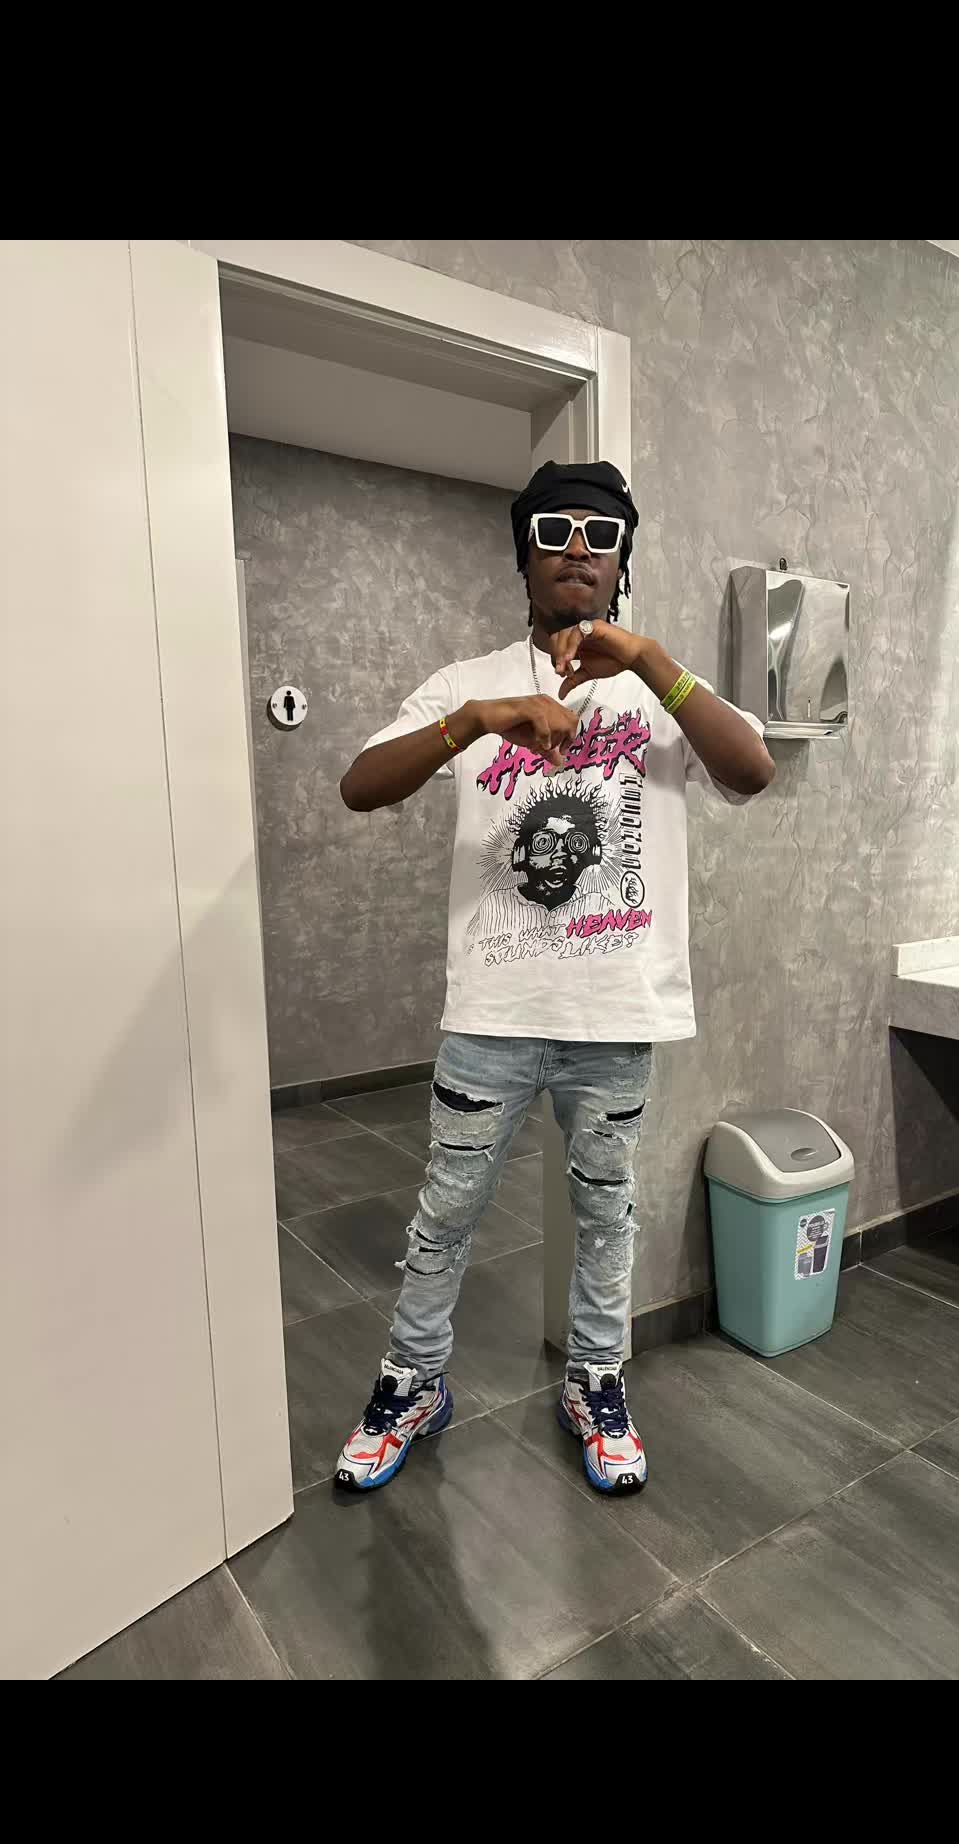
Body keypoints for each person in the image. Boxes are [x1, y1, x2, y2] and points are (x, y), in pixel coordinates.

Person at [336, 460, 775, 1497]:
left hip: (614, 1014)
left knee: (606, 1214)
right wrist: (480, 719)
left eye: (600, 533)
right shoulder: (469, 682)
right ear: (524, 553)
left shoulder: (658, 690)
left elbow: (752, 770)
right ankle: (413, 1381)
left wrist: (652, 660)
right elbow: (362, 786)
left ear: (622, 558)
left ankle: (595, 1382)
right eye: (553, 530)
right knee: (446, 1212)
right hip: (492, 1013)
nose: (577, 547)